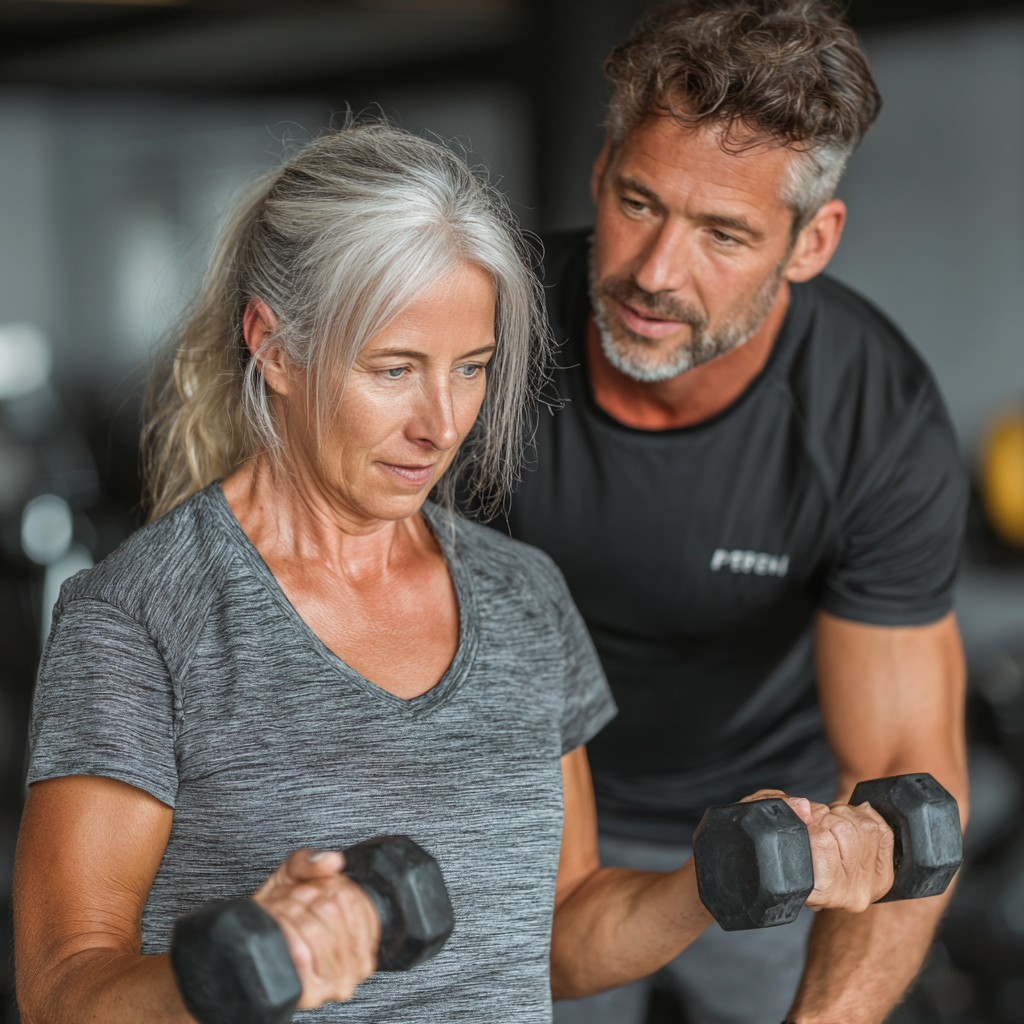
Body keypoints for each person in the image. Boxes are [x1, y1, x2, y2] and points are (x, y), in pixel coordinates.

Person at [13, 122, 896, 1024]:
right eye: (394, 369)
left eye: (470, 369)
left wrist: (715, 877)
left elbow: (555, 935)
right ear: (273, 347)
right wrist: (240, 962)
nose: (440, 423)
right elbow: (61, 988)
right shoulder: (139, 617)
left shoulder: (522, 595)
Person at [496, 3, 971, 1023]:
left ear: (810, 241)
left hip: (776, 823)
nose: (656, 273)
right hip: (524, 812)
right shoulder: (481, 343)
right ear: (600, 172)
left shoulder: (871, 418)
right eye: (639, 202)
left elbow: (900, 772)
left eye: (722, 233)